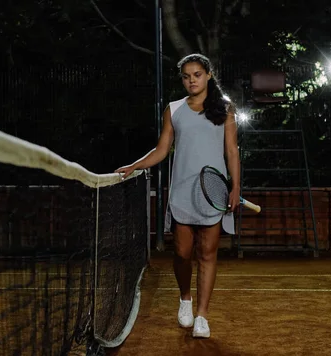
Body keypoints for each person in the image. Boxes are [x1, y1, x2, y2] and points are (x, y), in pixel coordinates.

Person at [115, 53, 241, 338]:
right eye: (186, 76)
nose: (191, 80)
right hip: (183, 191)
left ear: (208, 74)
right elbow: (162, 150)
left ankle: (202, 316)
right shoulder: (173, 109)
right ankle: (185, 298)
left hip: (214, 193)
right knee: (183, 253)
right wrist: (135, 165)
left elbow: (232, 151)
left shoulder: (225, 109)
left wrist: (235, 187)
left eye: (197, 74)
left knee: (207, 254)